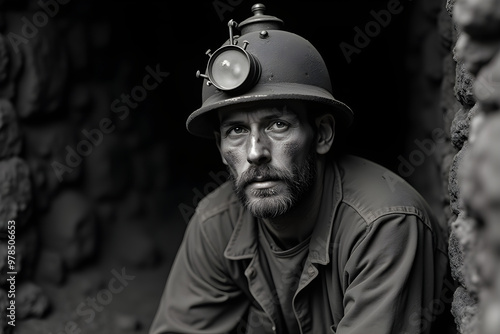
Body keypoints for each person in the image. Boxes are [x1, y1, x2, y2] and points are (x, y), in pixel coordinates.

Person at [150, 4, 449, 334]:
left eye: (278, 125)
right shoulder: (215, 225)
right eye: (236, 131)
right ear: (220, 149)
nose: (255, 153)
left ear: (322, 134)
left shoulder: (385, 224)